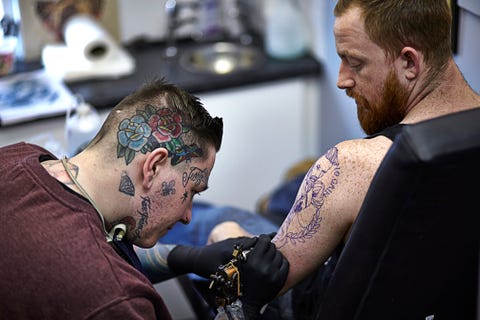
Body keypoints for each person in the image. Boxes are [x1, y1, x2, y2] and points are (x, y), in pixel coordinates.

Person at [139, 0, 480, 318]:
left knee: (203, 217)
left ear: (410, 62)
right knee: (293, 187)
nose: (342, 79)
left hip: (293, 303)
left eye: (355, 63)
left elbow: (248, 287)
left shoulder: (352, 165)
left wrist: (219, 239)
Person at [0, 78, 288, 319]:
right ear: (152, 167)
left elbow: (107, 248)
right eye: (191, 192)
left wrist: (187, 257)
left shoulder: (19, 156)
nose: (187, 214)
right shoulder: (116, 299)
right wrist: (245, 307)